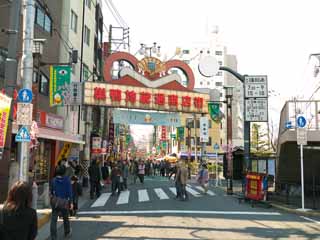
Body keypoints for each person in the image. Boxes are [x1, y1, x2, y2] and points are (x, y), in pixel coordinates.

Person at [50, 165, 73, 239]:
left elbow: (51, 192)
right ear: (64, 171)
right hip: (64, 202)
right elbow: (69, 192)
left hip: (56, 202)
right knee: (66, 218)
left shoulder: (53, 180)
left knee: (53, 220)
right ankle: (67, 232)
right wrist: (71, 202)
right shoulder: (67, 180)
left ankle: (53, 237)